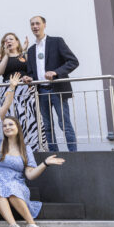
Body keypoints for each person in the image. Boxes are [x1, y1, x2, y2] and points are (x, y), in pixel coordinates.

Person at [0, 116, 65, 227]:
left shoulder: (25, 149)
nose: (7, 127)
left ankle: (33, 226)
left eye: (10, 124)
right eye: (4, 125)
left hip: (16, 183)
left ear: (17, 127)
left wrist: (45, 163)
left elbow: (30, 175)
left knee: (11, 189)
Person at [26, 16, 79, 152]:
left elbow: (73, 61)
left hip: (57, 89)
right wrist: (28, 78)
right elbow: (32, 72)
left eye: (38, 23)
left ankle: (73, 154)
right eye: (32, 24)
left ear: (44, 25)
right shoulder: (31, 50)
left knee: (64, 124)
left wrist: (55, 72)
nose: (35, 26)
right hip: (41, 92)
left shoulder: (56, 42)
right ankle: (54, 155)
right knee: (47, 126)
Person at [0, 33, 43, 151]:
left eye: (11, 39)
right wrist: (6, 55)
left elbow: (31, 69)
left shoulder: (24, 55)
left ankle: (32, 146)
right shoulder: (2, 57)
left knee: (29, 118)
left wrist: (24, 51)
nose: (8, 41)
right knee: (12, 118)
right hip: (9, 91)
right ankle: (14, 147)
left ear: (17, 41)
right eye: (6, 40)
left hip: (25, 90)